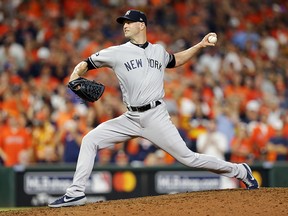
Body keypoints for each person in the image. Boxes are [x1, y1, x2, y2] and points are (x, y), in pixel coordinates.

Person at [48, 9, 259, 208]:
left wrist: (199, 46)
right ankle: (76, 192)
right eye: (124, 23)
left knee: (188, 158)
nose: (125, 26)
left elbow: (175, 60)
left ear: (142, 25)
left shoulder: (158, 50)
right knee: (90, 140)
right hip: (130, 117)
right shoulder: (117, 52)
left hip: (155, 116)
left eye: (129, 22)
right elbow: (87, 62)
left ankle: (240, 170)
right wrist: (75, 75)